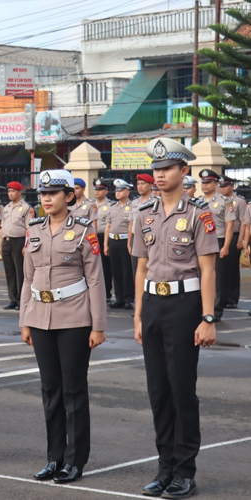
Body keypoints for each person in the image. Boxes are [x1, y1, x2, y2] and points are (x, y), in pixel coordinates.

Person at [133, 138, 218, 498]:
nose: (160, 175)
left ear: (184, 172)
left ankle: (185, 471)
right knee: (158, 392)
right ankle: (164, 466)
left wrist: (208, 317)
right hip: (153, 304)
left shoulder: (200, 214)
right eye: (156, 169)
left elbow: (208, 268)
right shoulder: (144, 214)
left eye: (167, 168)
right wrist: (137, 315)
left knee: (182, 390)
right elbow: (140, 267)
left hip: (185, 307)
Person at [20, 169, 107, 484]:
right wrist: (25, 320)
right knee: (50, 390)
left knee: (72, 390)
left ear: (69, 196)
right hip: (40, 317)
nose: (46, 198)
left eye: (53, 193)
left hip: (74, 318)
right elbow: (28, 278)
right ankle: (54, 458)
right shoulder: (34, 230)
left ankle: (74, 461)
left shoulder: (84, 230)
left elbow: (96, 279)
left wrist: (98, 325)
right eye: (43, 193)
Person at [197, 169, 235, 322]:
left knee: (217, 277)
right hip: (200, 242)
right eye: (203, 183)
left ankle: (216, 310)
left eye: (208, 182)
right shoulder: (197, 201)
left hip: (217, 240)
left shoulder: (225, 201)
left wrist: (226, 246)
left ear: (216, 183)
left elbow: (230, 225)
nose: (205, 185)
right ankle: (202, 308)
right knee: (200, 276)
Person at [0, 181, 34, 310]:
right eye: (9, 191)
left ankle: (21, 300)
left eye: (13, 191)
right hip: (7, 241)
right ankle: (13, 299)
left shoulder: (26, 208)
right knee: (9, 272)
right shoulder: (6, 207)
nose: (10, 194)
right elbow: (3, 227)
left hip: (19, 241)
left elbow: (29, 229)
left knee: (20, 271)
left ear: (20, 192)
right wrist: (1, 244)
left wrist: (26, 245)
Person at [104, 179, 135, 310]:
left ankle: (128, 298)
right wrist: (106, 244)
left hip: (124, 240)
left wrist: (129, 243)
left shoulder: (132, 206)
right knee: (115, 271)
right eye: (116, 191)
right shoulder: (113, 207)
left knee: (126, 270)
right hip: (113, 240)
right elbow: (108, 226)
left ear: (127, 192)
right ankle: (118, 298)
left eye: (121, 190)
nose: (117, 193)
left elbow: (131, 225)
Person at [219, 177, 245, 309]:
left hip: (234, 236)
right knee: (220, 269)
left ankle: (232, 298)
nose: (222, 188)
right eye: (221, 186)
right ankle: (221, 297)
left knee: (232, 269)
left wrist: (240, 239)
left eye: (225, 186)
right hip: (220, 236)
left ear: (232, 186)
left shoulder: (239, 202)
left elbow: (243, 222)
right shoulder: (218, 201)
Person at [128, 173, 157, 276]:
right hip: (136, 238)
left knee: (150, 267)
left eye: (143, 183)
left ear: (150, 185)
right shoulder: (134, 202)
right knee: (136, 268)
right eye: (138, 183)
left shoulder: (157, 201)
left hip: (151, 238)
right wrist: (129, 242)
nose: (139, 186)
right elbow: (131, 223)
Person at [93, 178, 115, 302]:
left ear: (106, 191)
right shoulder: (91, 204)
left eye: (100, 189)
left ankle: (107, 292)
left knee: (106, 267)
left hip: (103, 237)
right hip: (92, 238)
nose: (97, 192)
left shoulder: (111, 205)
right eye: (96, 189)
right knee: (94, 266)